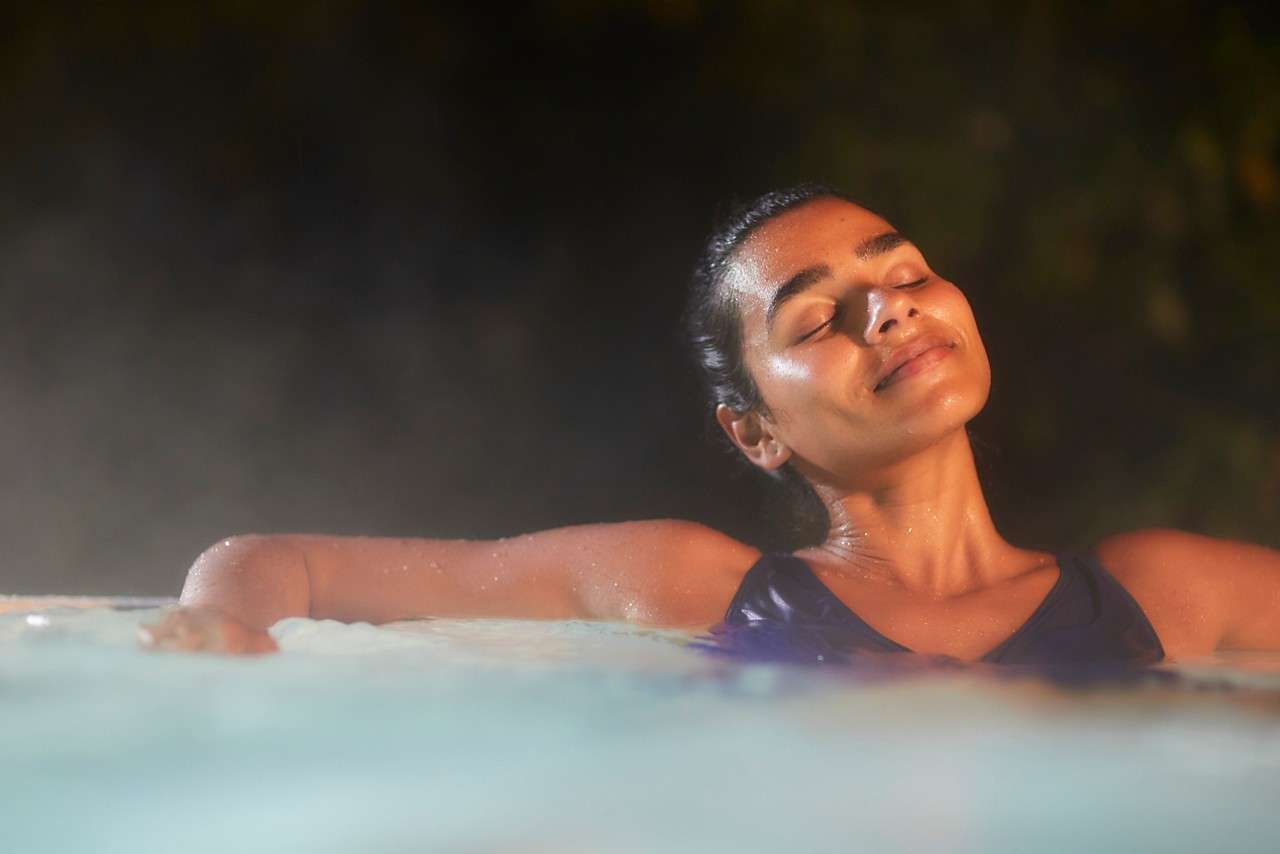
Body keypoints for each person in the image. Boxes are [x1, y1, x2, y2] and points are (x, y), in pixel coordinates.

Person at [142, 186, 1280, 662]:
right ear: (754, 432)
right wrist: (226, 647)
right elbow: (265, 561)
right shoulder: (696, 585)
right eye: (818, 316)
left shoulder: (1162, 592)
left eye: (905, 271)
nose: (889, 308)